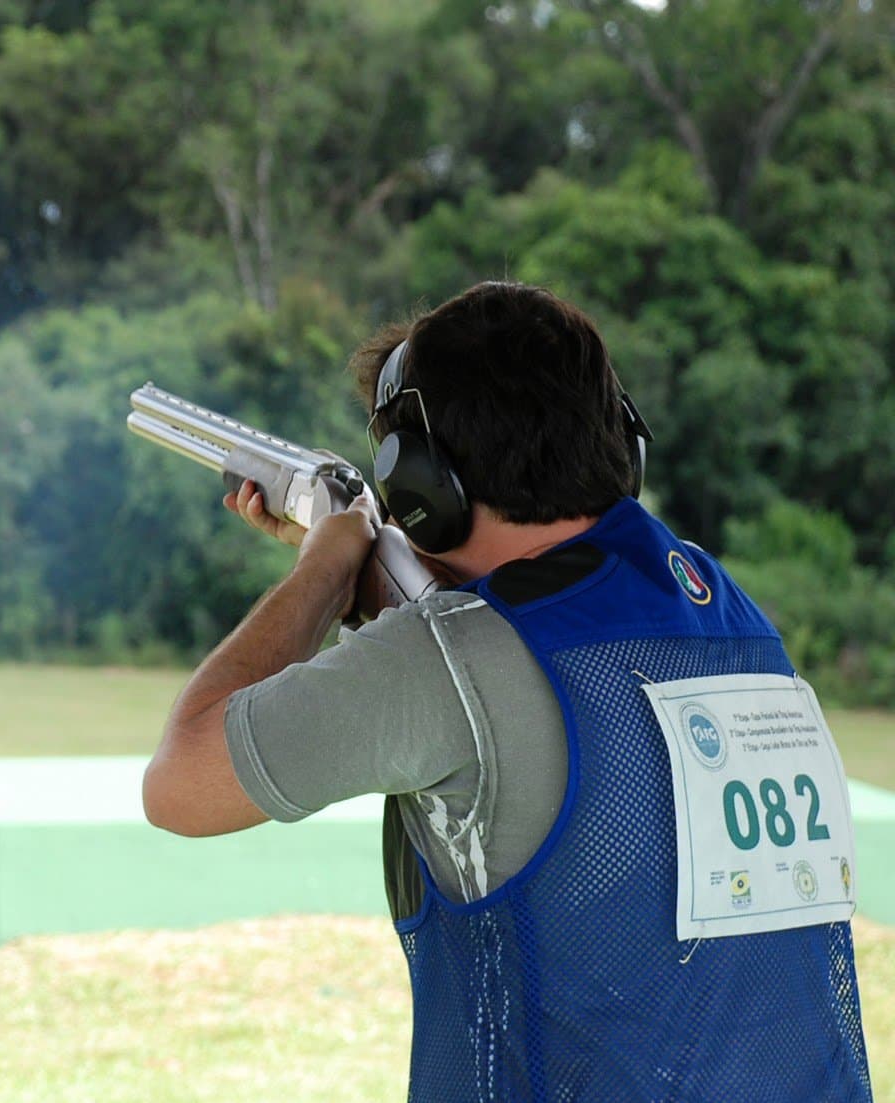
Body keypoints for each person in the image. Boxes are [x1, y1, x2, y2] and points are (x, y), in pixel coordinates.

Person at [142, 281, 872, 1101]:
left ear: (419, 483)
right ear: (620, 443)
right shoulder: (731, 614)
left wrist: (325, 566)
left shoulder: (450, 657)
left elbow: (181, 784)